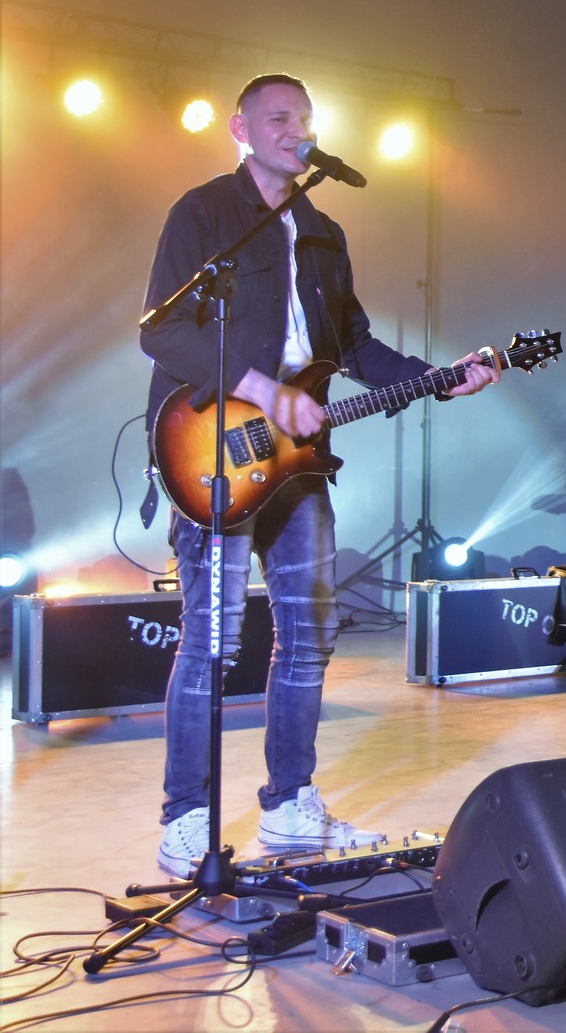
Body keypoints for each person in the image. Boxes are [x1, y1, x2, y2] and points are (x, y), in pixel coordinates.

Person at [140, 74, 500, 878]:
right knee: (212, 640)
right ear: (240, 128)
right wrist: (264, 390)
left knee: (309, 635)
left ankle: (289, 803)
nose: (295, 128)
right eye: (278, 116)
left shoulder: (326, 232)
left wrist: (442, 375)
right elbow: (162, 331)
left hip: (299, 465)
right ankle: (185, 817)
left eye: (303, 118)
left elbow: (356, 346)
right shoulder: (204, 213)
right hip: (215, 452)